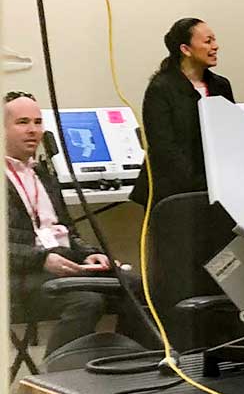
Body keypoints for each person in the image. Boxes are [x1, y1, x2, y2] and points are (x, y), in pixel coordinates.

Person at [6, 92, 142, 357]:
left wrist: (89, 253)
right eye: (22, 122)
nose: (33, 130)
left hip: (63, 264)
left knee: (134, 284)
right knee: (86, 301)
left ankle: (128, 364)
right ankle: (50, 385)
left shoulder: (43, 175)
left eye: (37, 122)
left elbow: (69, 230)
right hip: (21, 276)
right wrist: (41, 259)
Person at [129, 18, 235, 206]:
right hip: (173, 193)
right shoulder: (161, 88)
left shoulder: (221, 86)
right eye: (208, 41)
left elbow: (230, 136)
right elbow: (164, 147)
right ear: (185, 49)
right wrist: (199, 183)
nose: (216, 46)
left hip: (216, 191)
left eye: (214, 40)